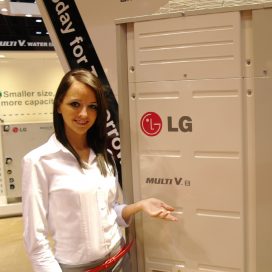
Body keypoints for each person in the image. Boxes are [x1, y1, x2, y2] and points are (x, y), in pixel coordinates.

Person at [22, 68, 177, 272]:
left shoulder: (104, 156)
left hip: (120, 260)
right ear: (59, 105)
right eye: (75, 104)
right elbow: (35, 240)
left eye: (92, 106)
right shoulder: (39, 161)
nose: (84, 114)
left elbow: (109, 212)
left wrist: (140, 205)